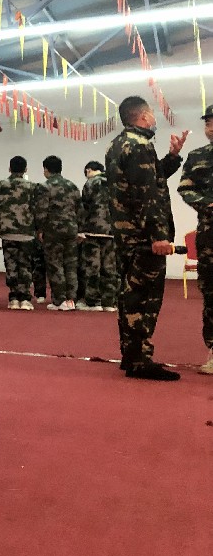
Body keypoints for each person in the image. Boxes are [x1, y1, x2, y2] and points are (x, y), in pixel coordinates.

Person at [106, 95, 187, 380]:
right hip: (143, 237)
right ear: (142, 116)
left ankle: (130, 355)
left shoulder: (118, 145)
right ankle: (140, 359)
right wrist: (158, 236)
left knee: (129, 295)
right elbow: (146, 195)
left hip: (126, 235)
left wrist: (173, 157)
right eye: (151, 113)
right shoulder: (139, 146)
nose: (154, 118)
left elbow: (150, 179)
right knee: (145, 298)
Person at [177, 104, 213, 375]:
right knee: (211, 292)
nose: (209, 128)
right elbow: (185, 188)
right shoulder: (197, 156)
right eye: (207, 123)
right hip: (210, 234)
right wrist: (207, 205)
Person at [0, 156, 39, 310]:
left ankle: (13, 298)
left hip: (7, 231)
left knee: (11, 265)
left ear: (9, 168)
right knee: (25, 265)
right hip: (27, 231)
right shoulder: (33, 187)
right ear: (26, 169)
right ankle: (25, 298)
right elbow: (37, 208)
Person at [36, 156, 81, 311]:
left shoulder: (44, 187)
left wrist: (39, 229)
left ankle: (59, 300)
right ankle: (71, 299)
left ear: (46, 169)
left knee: (55, 264)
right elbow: (79, 209)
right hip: (71, 229)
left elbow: (41, 211)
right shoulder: (72, 186)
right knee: (71, 265)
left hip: (53, 230)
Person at [77, 160, 118, 311]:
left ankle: (93, 301)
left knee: (92, 267)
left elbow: (84, 208)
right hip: (112, 231)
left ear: (89, 170)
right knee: (110, 268)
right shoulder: (114, 182)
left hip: (92, 231)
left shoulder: (90, 183)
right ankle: (109, 302)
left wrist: (80, 229)